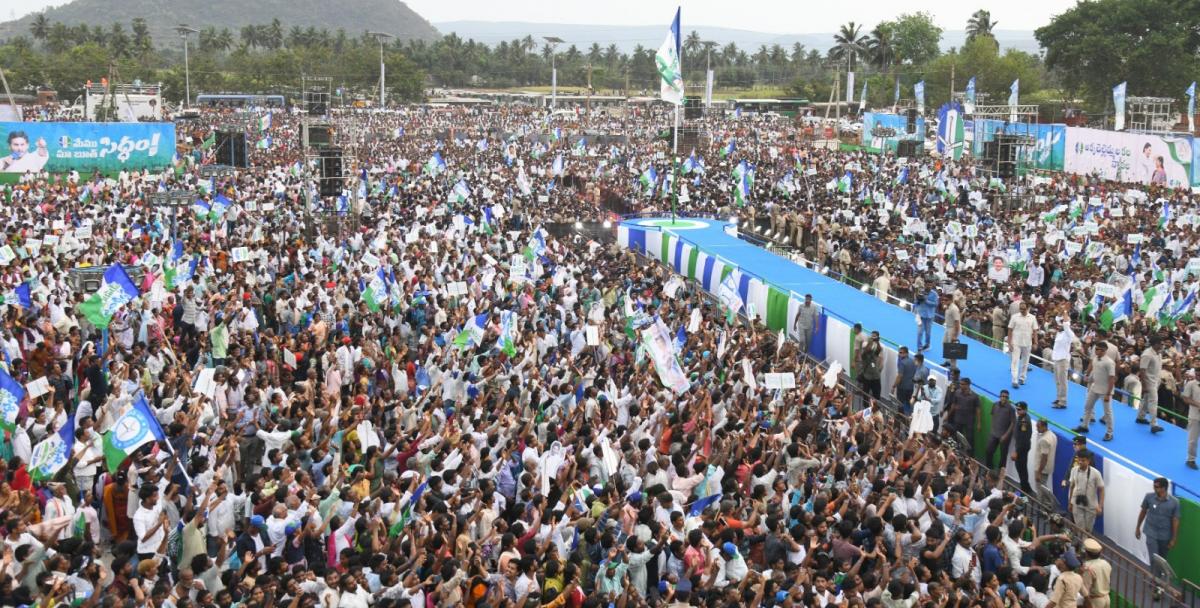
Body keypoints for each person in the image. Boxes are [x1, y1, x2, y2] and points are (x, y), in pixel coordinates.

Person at [1076, 342, 1116, 442]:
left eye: (1097, 349)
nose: (1095, 350)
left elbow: (1112, 379)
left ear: (1103, 351)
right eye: (1096, 349)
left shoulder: (1109, 363)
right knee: (1087, 406)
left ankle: (1109, 433)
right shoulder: (1095, 359)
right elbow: (1095, 372)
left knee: (1107, 412)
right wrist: (1089, 378)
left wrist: (1108, 394)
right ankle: (1084, 426)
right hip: (1094, 388)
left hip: (1105, 391)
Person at [1135, 477, 1180, 566]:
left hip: (1165, 536)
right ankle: (1154, 579)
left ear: (1164, 488)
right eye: (1154, 486)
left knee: (1162, 560)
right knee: (1154, 558)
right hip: (1150, 532)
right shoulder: (1149, 497)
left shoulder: (1175, 502)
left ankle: (1158, 578)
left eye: (1156, 487)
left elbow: (1175, 520)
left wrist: (1173, 538)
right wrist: (1137, 527)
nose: (1154, 488)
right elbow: (1143, 512)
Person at [1067, 449, 1105, 533]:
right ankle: (1082, 545)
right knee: (1080, 529)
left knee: (1088, 529)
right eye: (1079, 460)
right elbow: (1072, 486)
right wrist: (1070, 502)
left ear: (1088, 461)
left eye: (1083, 460)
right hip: (1076, 503)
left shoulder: (1096, 473)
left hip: (1091, 506)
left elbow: (1102, 490)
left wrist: (1100, 506)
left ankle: (1083, 543)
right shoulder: (1074, 470)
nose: (1080, 462)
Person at [1137, 335, 1165, 434]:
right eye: (1161, 343)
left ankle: (1140, 417)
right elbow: (1142, 370)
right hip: (1148, 381)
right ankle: (1154, 424)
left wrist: (1159, 380)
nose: (1162, 345)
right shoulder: (1147, 354)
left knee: (1145, 400)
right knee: (1153, 402)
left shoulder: (1159, 353)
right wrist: (1144, 385)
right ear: (1155, 344)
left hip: (1155, 380)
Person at [984, 390, 1016, 471]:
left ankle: (999, 473)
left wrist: (1005, 435)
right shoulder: (995, 405)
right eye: (1002, 396)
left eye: (1006, 397)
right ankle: (989, 468)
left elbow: (1013, 423)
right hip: (994, 434)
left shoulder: (1011, 409)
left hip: (1004, 436)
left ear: (1008, 398)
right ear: (1000, 396)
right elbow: (993, 416)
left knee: (1003, 456)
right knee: (988, 451)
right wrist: (992, 429)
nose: (1004, 398)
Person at [1007, 301, 1037, 388]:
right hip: (1016, 342)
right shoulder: (1014, 317)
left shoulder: (1032, 318)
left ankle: (1022, 378)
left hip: (1027, 343)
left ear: (1027, 308)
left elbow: (1035, 331)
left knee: (1025, 362)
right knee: (1015, 361)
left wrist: (1035, 342)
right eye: (1020, 309)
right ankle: (1014, 380)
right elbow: (1010, 330)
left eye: (1024, 309)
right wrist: (1009, 343)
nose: (1022, 310)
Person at [1079, 538, 1112, 608]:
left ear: (1086, 553)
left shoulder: (1087, 567)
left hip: (1095, 601)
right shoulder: (1105, 563)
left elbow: (1085, 591)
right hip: (1107, 598)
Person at [1011, 402, 1035, 494]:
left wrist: (1016, 451)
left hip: (1022, 448)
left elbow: (1023, 438)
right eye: (1017, 409)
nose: (1017, 411)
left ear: (1025, 410)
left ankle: (1025, 492)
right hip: (1021, 447)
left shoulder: (1024, 420)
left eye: (1019, 409)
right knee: (1021, 469)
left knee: (1021, 469)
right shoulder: (1021, 417)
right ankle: (1025, 488)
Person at [1050, 317, 1075, 408]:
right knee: (1057, 380)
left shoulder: (1069, 334)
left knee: (1063, 381)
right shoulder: (1059, 333)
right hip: (1056, 359)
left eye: (1060, 325)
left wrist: (1065, 313)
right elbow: (1057, 318)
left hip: (1063, 360)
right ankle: (1058, 398)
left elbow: (1066, 324)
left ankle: (1063, 401)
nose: (1058, 327)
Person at [1183, 367, 1200, 469]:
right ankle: (1191, 460)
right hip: (1194, 416)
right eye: (1197, 374)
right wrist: (1197, 404)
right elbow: (1185, 398)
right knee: (1192, 440)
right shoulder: (1191, 384)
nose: (1198, 376)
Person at [892, 345, 917, 413]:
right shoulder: (913, 361)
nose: (899, 354)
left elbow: (899, 376)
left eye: (901, 352)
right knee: (908, 403)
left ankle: (900, 418)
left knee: (900, 404)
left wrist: (894, 386)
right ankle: (907, 418)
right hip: (910, 387)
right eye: (899, 352)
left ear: (906, 353)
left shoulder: (902, 363)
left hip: (902, 388)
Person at [1035, 417, 1057, 491]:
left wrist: (1039, 472)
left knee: (1041, 490)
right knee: (1043, 488)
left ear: (1044, 427)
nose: (1037, 429)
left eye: (1038, 427)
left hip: (1042, 469)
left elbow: (1044, 458)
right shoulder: (1053, 435)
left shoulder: (1044, 440)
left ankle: (1041, 502)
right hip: (1048, 468)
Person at [914, 288, 938, 353]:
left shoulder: (934, 294)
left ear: (932, 285)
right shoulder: (921, 291)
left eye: (930, 285)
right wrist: (916, 306)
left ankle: (927, 345)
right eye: (927, 284)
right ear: (925, 284)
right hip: (921, 315)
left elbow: (936, 304)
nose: (929, 286)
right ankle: (919, 347)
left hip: (930, 317)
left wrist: (926, 301)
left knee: (928, 333)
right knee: (920, 332)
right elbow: (916, 301)